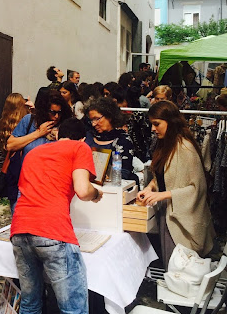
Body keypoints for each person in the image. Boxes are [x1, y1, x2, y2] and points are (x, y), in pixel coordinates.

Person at [10, 118, 110, 314]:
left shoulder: (35, 152)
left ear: (56, 134)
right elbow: (81, 190)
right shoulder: (81, 147)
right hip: (53, 234)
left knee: (29, 306)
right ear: (83, 138)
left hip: (20, 229)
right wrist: (96, 193)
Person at [137, 101, 215, 267]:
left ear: (170, 121)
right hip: (168, 215)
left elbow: (197, 188)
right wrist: (150, 187)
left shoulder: (185, 148)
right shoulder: (166, 145)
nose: (153, 129)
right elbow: (164, 177)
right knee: (172, 267)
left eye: (156, 124)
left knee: (180, 270)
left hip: (181, 221)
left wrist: (164, 194)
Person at [86, 97, 136, 182]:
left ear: (109, 116)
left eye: (97, 119)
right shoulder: (89, 137)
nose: (94, 124)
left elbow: (124, 172)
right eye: (91, 120)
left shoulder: (122, 140)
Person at [0, 93, 30, 209]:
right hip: (22, 167)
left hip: (10, 170)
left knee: (14, 204)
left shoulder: (4, 123)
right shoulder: (26, 123)